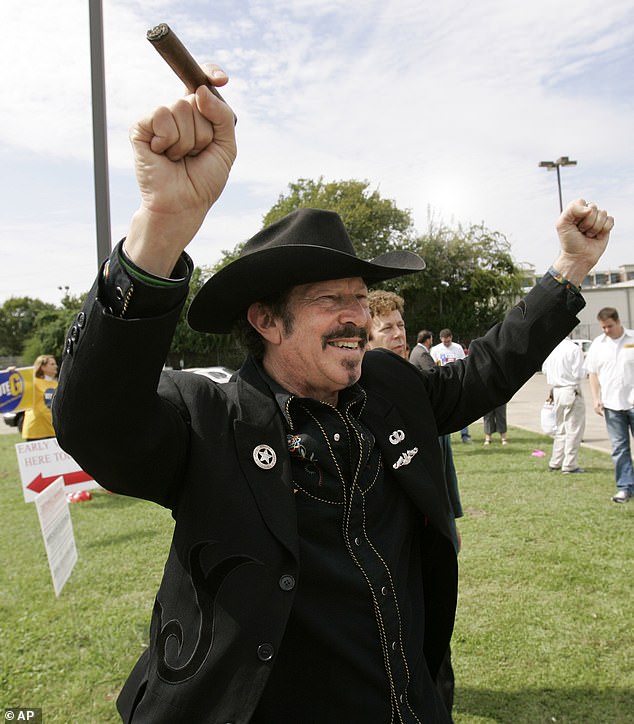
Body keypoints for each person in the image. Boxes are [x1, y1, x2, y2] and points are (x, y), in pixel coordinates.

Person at [52, 61, 614, 723]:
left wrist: (570, 268)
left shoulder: (390, 388)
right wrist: (162, 226)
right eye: (330, 301)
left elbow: (486, 370)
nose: (357, 317)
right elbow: (95, 420)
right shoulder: (210, 419)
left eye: (359, 299)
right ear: (266, 320)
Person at [367, 291, 462, 720]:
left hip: (430, 534)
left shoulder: (419, 380)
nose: (398, 334)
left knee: (438, 646)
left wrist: (448, 517)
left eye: (400, 325)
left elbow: (442, 462)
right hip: (393, 553)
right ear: (364, 337)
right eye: (386, 327)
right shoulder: (358, 397)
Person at [584, 308, 634, 502]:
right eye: (603, 327)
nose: (606, 330)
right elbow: (593, 373)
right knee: (619, 448)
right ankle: (625, 487)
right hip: (612, 404)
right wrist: (596, 398)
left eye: (609, 326)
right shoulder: (598, 345)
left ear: (618, 321)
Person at [541, 336, 587, 473]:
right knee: (574, 429)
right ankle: (569, 464)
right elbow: (579, 373)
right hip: (570, 388)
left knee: (561, 428)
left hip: (557, 390)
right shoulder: (573, 349)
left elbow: (544, 370)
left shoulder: (551, 349)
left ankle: (556, 461)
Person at [431, 330, 472, 443]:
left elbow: (464, 362)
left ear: (451, 337)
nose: (446, 342)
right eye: (444, 341)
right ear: (440, 338)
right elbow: (432, 365)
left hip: (457, 381)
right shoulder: (435, 350)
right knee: (444, 410)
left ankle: (465, 435)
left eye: (448, 340)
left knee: (462, 408)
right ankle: (445, 438)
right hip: (442, 383)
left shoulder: (457, 348)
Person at [21, 355, 58, 441]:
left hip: (52, 430)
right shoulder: (32, 382)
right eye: (52, 364)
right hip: (35, 430)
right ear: (43, 367)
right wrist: (11, 373)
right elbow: (17, 387)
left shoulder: (56, 384)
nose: (55, 366)